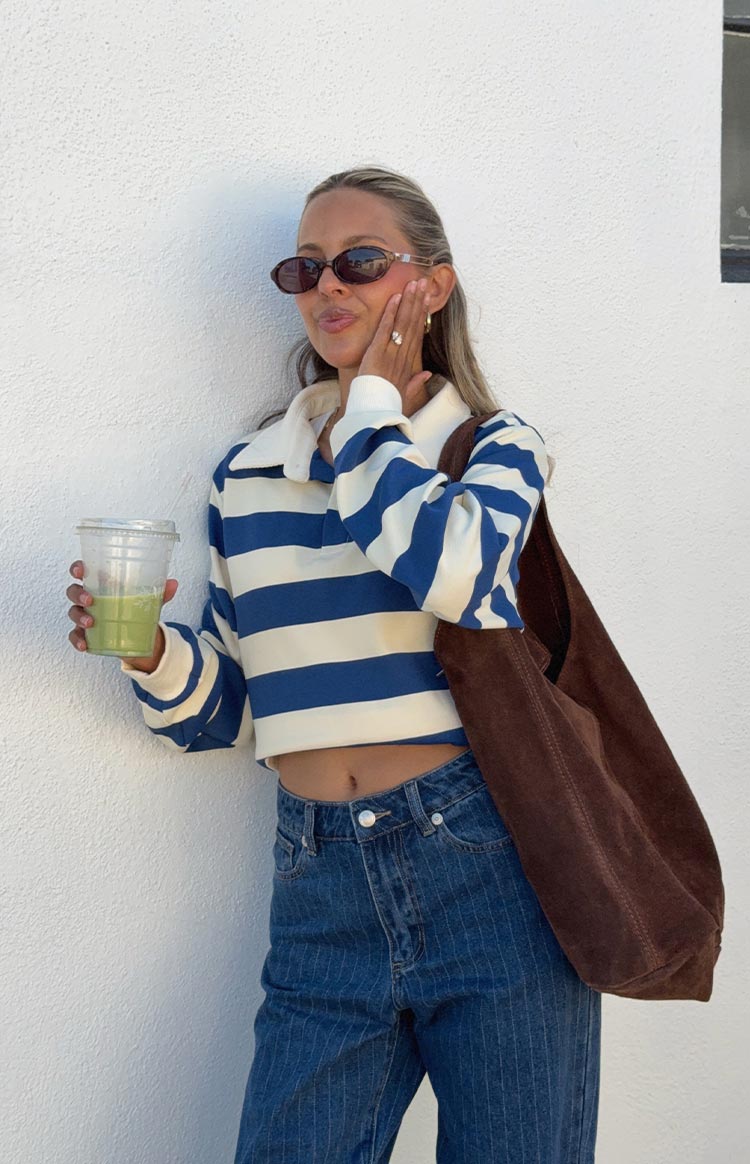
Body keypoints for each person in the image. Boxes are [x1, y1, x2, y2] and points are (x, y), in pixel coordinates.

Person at [66, 165, 601, 1163]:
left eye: (360, 261)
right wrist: (144, 650)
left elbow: (459, 579)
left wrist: (369, 414)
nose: (328, 288)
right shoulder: (249, 475)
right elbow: (227, 717)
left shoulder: (492, 446)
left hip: (487, 870)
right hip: (319, 886)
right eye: (305, 268)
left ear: (431, 287)